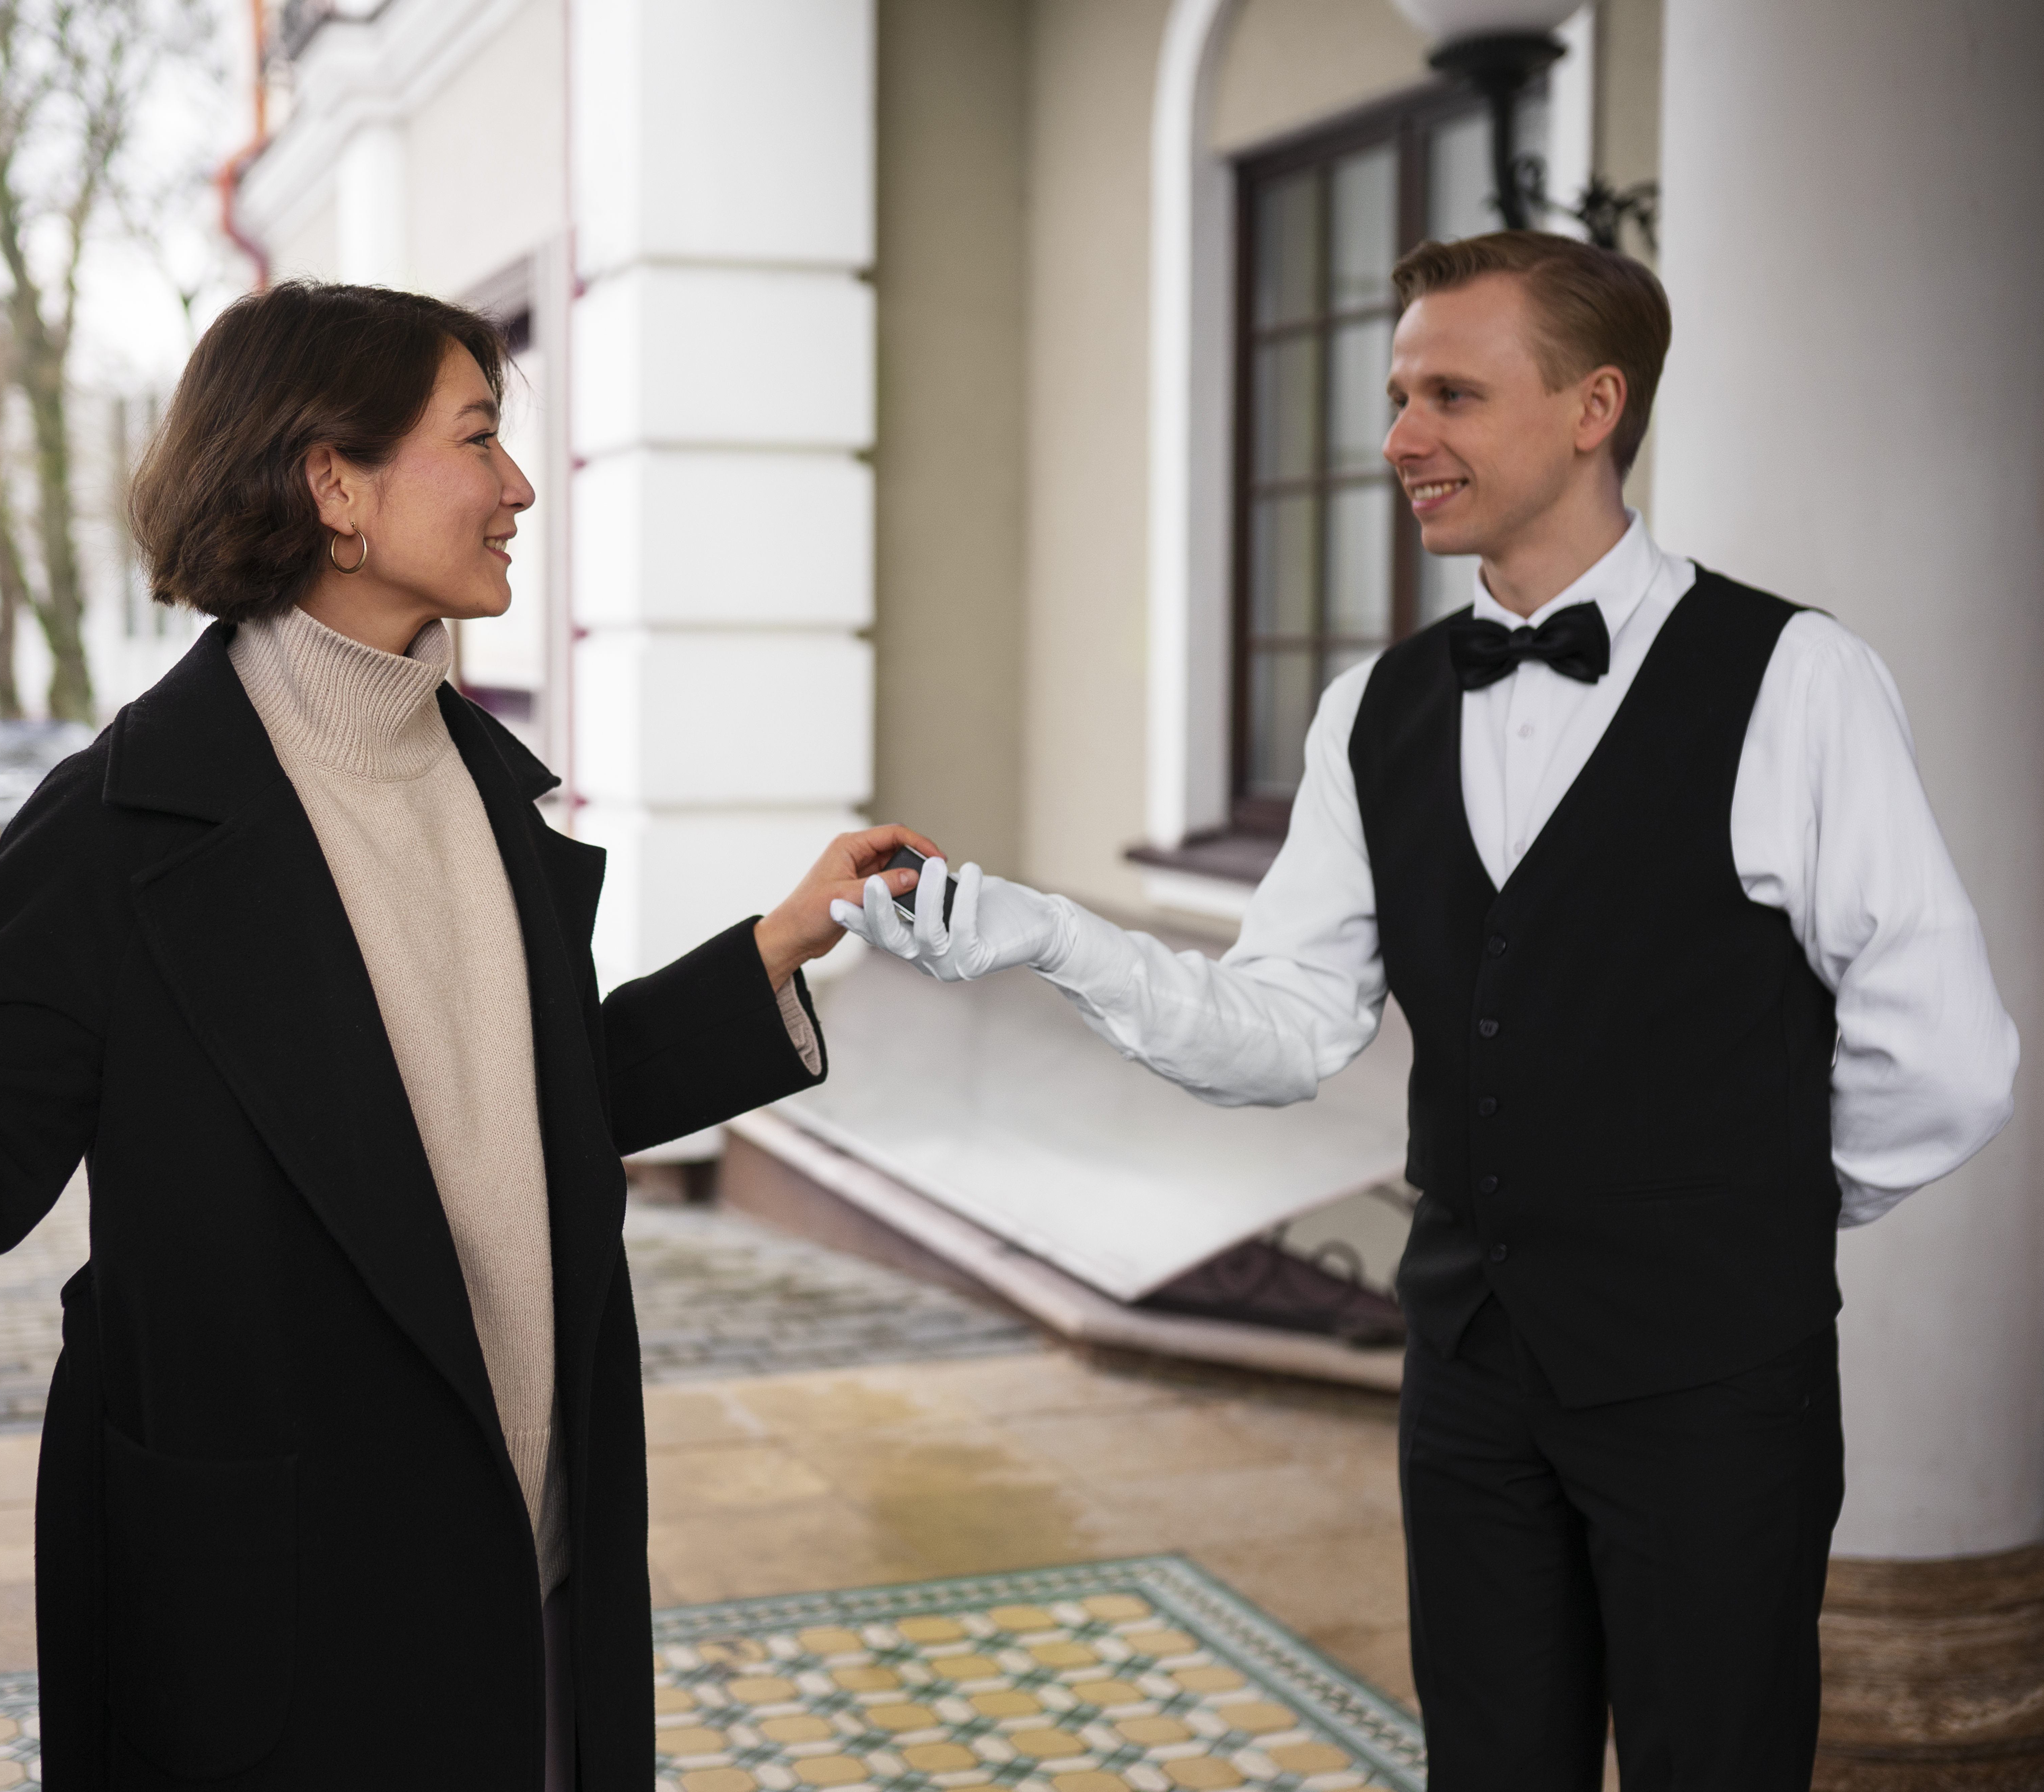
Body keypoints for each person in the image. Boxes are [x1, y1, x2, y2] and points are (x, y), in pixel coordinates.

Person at [0, 281, 937, 1792]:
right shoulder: (112, 832)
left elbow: (521, 1108)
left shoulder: (485, 787)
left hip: (528, 1578)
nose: (517, 487)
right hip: (277, 1643)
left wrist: (773, 948)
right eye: (479, 438)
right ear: (335, 488)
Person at [837, 232, 2017, 1788]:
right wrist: (1045, 936)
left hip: (1717, 1380)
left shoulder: (1798, 681)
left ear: (1596, 407)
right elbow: (1281, 1031)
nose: (1400, 440)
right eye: (1398, 396)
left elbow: (1946, 1052)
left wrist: (1751, 1224)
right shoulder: (1372, 710)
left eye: (1450, 394)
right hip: (1468, 1371)